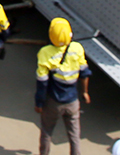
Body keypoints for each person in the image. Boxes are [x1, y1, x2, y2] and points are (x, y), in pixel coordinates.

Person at [35, 17, 91, 155]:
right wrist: (84, 92)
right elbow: (84, 73)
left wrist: (39, 103)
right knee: (74, 135)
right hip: (72, 102)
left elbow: (42, 82)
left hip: (53, 102)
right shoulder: (77, 49)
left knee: (47, 131)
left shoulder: (45, 53)